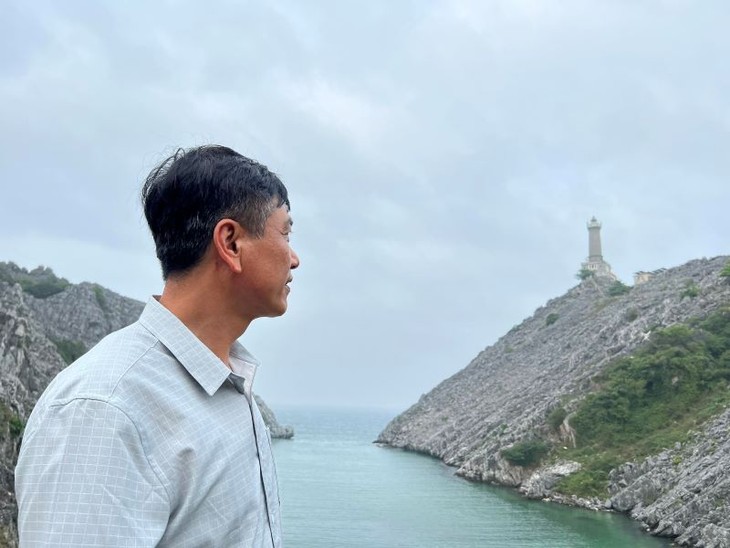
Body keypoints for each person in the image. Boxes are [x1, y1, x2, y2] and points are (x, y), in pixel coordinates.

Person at [15, 145, 299, 547]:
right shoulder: (104, 409)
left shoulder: (228, 381)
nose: (295, 259)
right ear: (231, 242)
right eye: (285, 233)